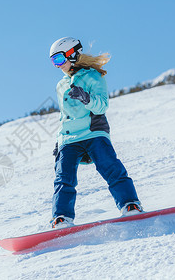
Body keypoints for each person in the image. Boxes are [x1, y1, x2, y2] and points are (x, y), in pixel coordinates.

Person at [49, 37, 143, 228]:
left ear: (72, 54)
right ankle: (61, 218)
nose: (58, 66)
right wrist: (59, 141)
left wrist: (86, 97)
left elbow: (102, 106)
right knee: (63, 177)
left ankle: (130, 204)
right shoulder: (61, 86)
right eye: (53, 62)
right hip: (69, 137)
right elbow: (64, 116)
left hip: (93, 132)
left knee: (110, 167)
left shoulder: (93, 76)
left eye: (59, 60)